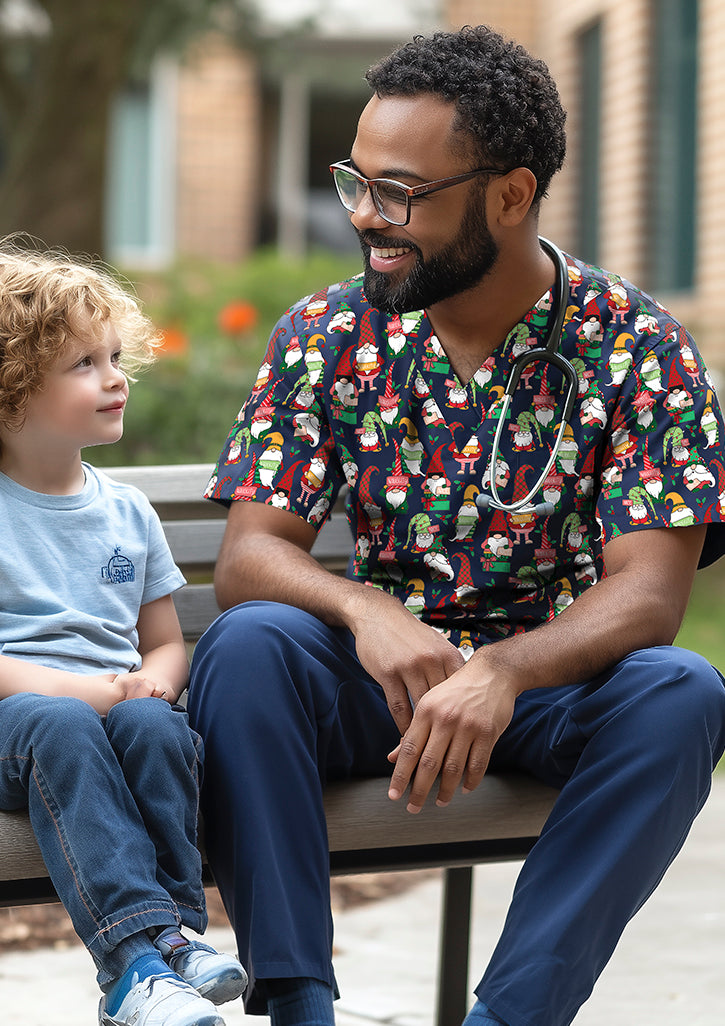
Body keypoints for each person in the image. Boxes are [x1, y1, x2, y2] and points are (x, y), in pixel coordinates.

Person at [187, 25, 725, 1026]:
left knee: (682, 692)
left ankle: (509, 1017)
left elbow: (649, 597)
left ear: (509, 195)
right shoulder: (325, 335)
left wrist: (507, 670)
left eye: (397, 193)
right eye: (355, 179)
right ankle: (299, 1007)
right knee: (251, 642)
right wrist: (363, 612)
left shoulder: (637, 346)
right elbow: (251, 557)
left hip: (552, 697)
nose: (361, 215)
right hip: (382, 689)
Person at [0, 238, 248, 1026]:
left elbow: (165, 641)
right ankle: (131, 965)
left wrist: (156, 680)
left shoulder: (125, 511)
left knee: (154, 723)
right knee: (62, 721)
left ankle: (169, 948)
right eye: (83, 364)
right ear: (9, 392)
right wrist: (84, 690)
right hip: (22, 729)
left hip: (109, 716)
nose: (116, 379)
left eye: (115, 356)